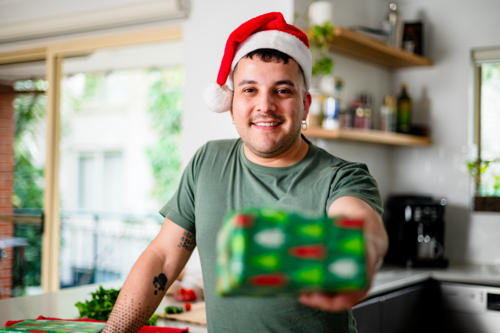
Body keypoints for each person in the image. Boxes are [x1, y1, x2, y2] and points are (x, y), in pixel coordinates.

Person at [102, 12, 388, 333]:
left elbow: (361, 229)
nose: (265, 105)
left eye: (282, 91)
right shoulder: (207, 162)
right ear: (232, 102)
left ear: (305, 104)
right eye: (250, 90)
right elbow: (163, 257)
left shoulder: (342, 177)